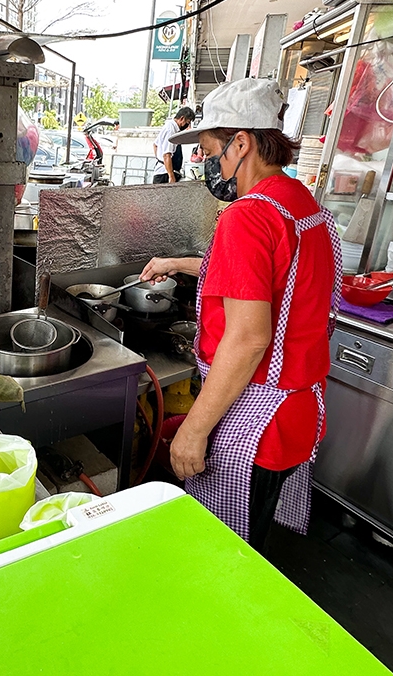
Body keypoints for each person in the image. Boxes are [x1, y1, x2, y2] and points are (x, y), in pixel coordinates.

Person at [140, 78, 340, 552]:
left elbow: (248, 339)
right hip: (298, 407)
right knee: (257, 537)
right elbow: (265, 277)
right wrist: (173, 263)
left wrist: (193, 430)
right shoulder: (303, 206)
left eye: (211, 151)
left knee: (226, 553)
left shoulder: (246, 216)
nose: (207, 163)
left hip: (255, 418)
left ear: (242, 143)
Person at [151, 106, 195, 184]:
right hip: (164, 175)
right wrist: (170, 175)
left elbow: (155, 145)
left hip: (166, 170)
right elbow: (166, 155)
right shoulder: (170, 130)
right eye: (187, 122)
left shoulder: (171, 127)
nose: (187, 126)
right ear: (182, 118)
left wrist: (160, 159)